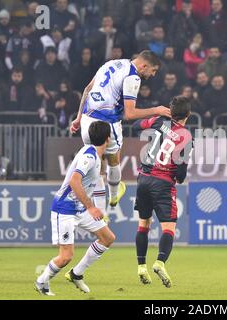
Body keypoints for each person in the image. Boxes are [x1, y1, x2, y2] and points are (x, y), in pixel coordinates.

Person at [70, 50, 171, 213]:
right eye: (153, 71)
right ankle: (115, 195)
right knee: (113, 161)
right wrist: (156, 110)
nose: (152, 75)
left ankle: (101, 213)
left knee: (97, 166)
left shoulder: (112, 63)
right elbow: (130, 114)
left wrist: (78, 117)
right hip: (107, 124)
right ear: (144, 66)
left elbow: (87, 89)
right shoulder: (133, 77)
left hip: (87, 120)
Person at [35, 121, 116, 296]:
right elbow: (74, 181)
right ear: (108, 138)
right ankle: (42, 281)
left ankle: (76, 273)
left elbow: (97, 182)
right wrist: (92, 207)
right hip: (64, 208)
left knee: (107, 237)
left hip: (80, 208)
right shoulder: (90, 156)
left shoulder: (95, 154)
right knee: (66, 256)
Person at [132, 96, 193, 288]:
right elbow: (181, 174)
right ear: (188, 115)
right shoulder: (185, 136)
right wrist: (178, 176)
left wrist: (156, 112)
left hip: (143, 178)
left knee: (144, 224)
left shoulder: (159, 121)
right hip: (163, 182)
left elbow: (135, 126)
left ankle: (141, 266)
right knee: (168, 228)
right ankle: (159, 263)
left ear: (170, 111)